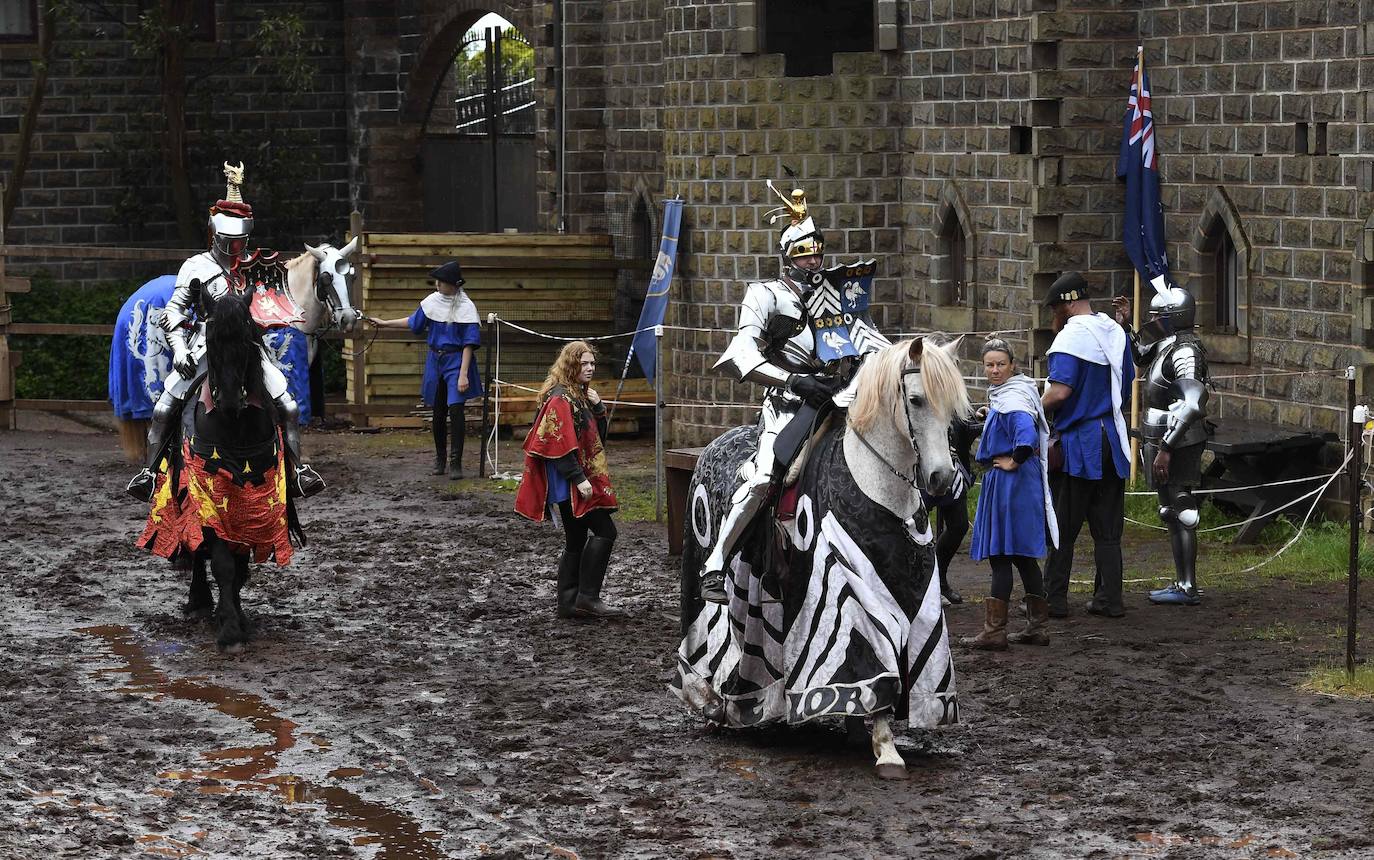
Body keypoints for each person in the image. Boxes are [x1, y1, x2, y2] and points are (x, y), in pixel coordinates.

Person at [698, 181, 890, 603]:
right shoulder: (764, 295)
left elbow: (872, 341)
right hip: (791, 402)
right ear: (788, 257)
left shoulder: (839, 296)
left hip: (842, 398)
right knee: (766, 476)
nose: (813, 260)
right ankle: (715, 563)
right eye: (804, 253)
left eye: (817, 252)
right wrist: (792, 380)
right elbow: (741, 352)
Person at [126, 162, 324, 503]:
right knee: (163, 409)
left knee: (288, 407)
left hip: (249, 347)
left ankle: (296, 473)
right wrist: (180, 351)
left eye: (240, 241)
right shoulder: (196, 266)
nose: (234, 248)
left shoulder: (257, 267)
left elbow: (268, 307)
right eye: (228, 240)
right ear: (214, 235)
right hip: (205, 344)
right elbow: (174, 312)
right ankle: (150, 474)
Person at [1040, 271, 1133, 619]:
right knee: (1108, 530)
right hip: (1113, 437)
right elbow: (1125, 384)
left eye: (1055, 308)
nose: (1055, 316)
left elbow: (1061, 391)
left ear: (1067, 304)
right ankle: (1109, 599)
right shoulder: (1115, 333)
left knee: (1063, 525)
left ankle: (1054, 599)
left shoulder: (1071, 338)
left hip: (1080, 442)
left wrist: (1032, 404)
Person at [1114, 277, 1211, 605]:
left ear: (1175, 316)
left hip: (1178, 440)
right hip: (1160, 435)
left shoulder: (1186, 350)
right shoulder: (1167, 342)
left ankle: (1188, 586)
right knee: (1169, 510)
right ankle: (1182, 583)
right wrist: (1127, 327)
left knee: (1182, 509)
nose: (1153, 322)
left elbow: (1194, 402)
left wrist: (1167, 447)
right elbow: (1142, 357)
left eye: (1158, 316)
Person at [514, 341, 626, 619]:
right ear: (571, 365)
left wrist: (599, 408)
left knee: (576, 538)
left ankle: (568, 602)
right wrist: (578, 479)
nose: (589, 368)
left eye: (592, 363)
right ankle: (587, 597)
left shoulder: (579, 395)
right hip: (569, 481)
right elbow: (555, 443)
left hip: (575, 478)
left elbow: (596, 437)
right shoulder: (561, 398)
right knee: (605, 532)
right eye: (584, 363)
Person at [964, 338, 1058, 649]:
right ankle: (1037, 628)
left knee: (1003, 556)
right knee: (1022, 557)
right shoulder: (1009, 395)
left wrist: (1013, 460)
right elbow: (1011, 418)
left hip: (1012, 482)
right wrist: (988, 415)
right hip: (1018, 481)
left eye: (1000, 364)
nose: (995, 370)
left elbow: (1025, 435)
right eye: (989, 365)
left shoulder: (1014, 400)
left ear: (1012, 366)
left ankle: (994, 633)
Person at [369, 260, 483, 479]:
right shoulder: (432, 301)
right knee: (438, 410)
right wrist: (384, 323)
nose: (437, 285)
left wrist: (463, 374)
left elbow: (469, 343)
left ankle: (455, 462)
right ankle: (440, 460)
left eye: (441, 282)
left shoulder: (466, 307)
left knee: (456, 409)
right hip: (435, 360)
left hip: (457, 360)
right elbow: (413, 322)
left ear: (453, 284)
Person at [923, 414, 981, 605]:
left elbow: (966, 427)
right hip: (922, 469)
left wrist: (981, 420)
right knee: (917, 529)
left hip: (953, 470)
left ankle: (940, 581)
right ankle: (921, 586)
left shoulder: (955, 395)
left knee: (959, 526)